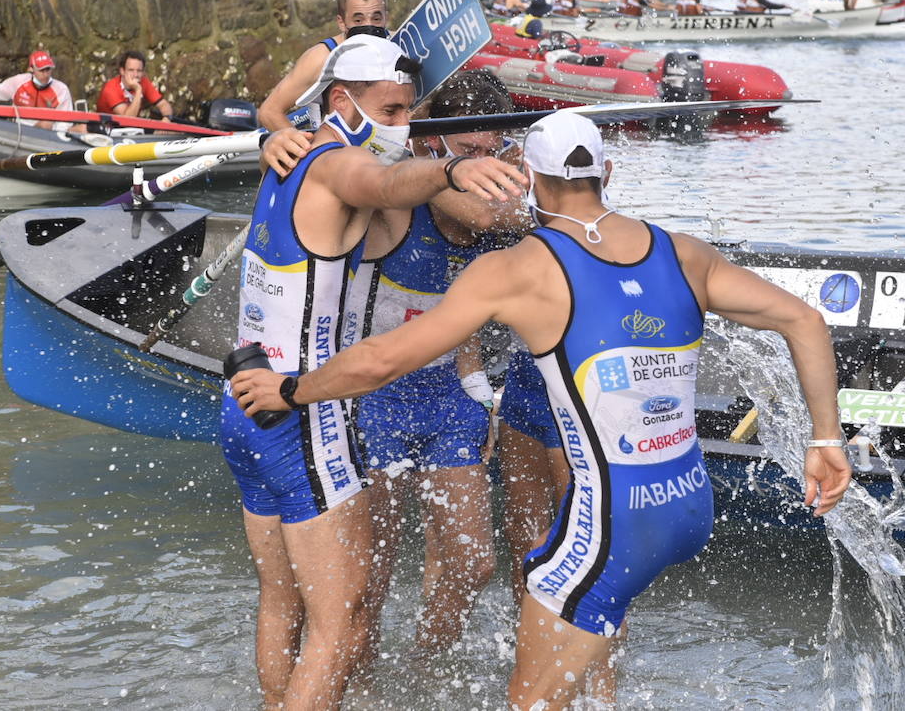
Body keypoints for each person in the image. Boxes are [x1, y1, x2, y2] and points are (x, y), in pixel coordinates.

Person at [231, 110, 853, 710]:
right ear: (608, 175)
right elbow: (804, 320)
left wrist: (290, 390)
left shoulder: (517, 270)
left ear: (526, 177)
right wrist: (825, 440)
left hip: (614, 520)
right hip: (689, 506)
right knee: (586, 625)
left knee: (531, 700)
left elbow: (382, 361)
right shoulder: (684, 254)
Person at [222, 35, 527, 710]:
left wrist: (272, 127)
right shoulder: (334, 166)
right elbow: (386, 183)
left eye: (407, 115)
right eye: (389, 113)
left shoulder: (288, 150)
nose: (401, 129)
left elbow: (368, 164)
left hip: (242, 399)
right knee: (344, 620)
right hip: (304, 409)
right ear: (340, 102)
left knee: (285, 600)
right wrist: (449, 173)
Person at [350, 70, 528, 662]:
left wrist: (482, 396)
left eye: (494, 151)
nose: (487, 167)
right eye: (470, 152)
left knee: (474, 563)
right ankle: (361, 685)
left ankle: (425, 673)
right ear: (434, 147)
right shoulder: (399, 207)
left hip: (449, 402)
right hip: (372, 401)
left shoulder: (498, 221)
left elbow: (465, 326)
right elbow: (480, 214)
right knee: (367, 581)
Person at [254, 0, 389, 172]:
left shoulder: (397, 47)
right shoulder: (320, 58)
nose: (368, 26)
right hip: (333, 160)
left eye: (376, 18)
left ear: (387, 18)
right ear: (342, 23)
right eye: (358, 19)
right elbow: (269, 111)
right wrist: (307, 156)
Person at [0, 50, 76, 130]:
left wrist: (52, 132)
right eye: (41, 70)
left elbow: (65, 122)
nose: (45, 74)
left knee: (47, 124)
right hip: (17, 131)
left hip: (46, 135)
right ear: (31, 69)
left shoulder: (61, 89)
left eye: (48, 69)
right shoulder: (19, 82)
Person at [96, 50, 173, 120]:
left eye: (139, 71)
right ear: (122, 71)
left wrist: (167, 118)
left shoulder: (144, 82)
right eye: (131, 70)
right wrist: (138, 90)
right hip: (108, 128)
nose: (135, 75)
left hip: (133, 129)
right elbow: (127, 120)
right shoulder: (111, 88)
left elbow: (163, 104)